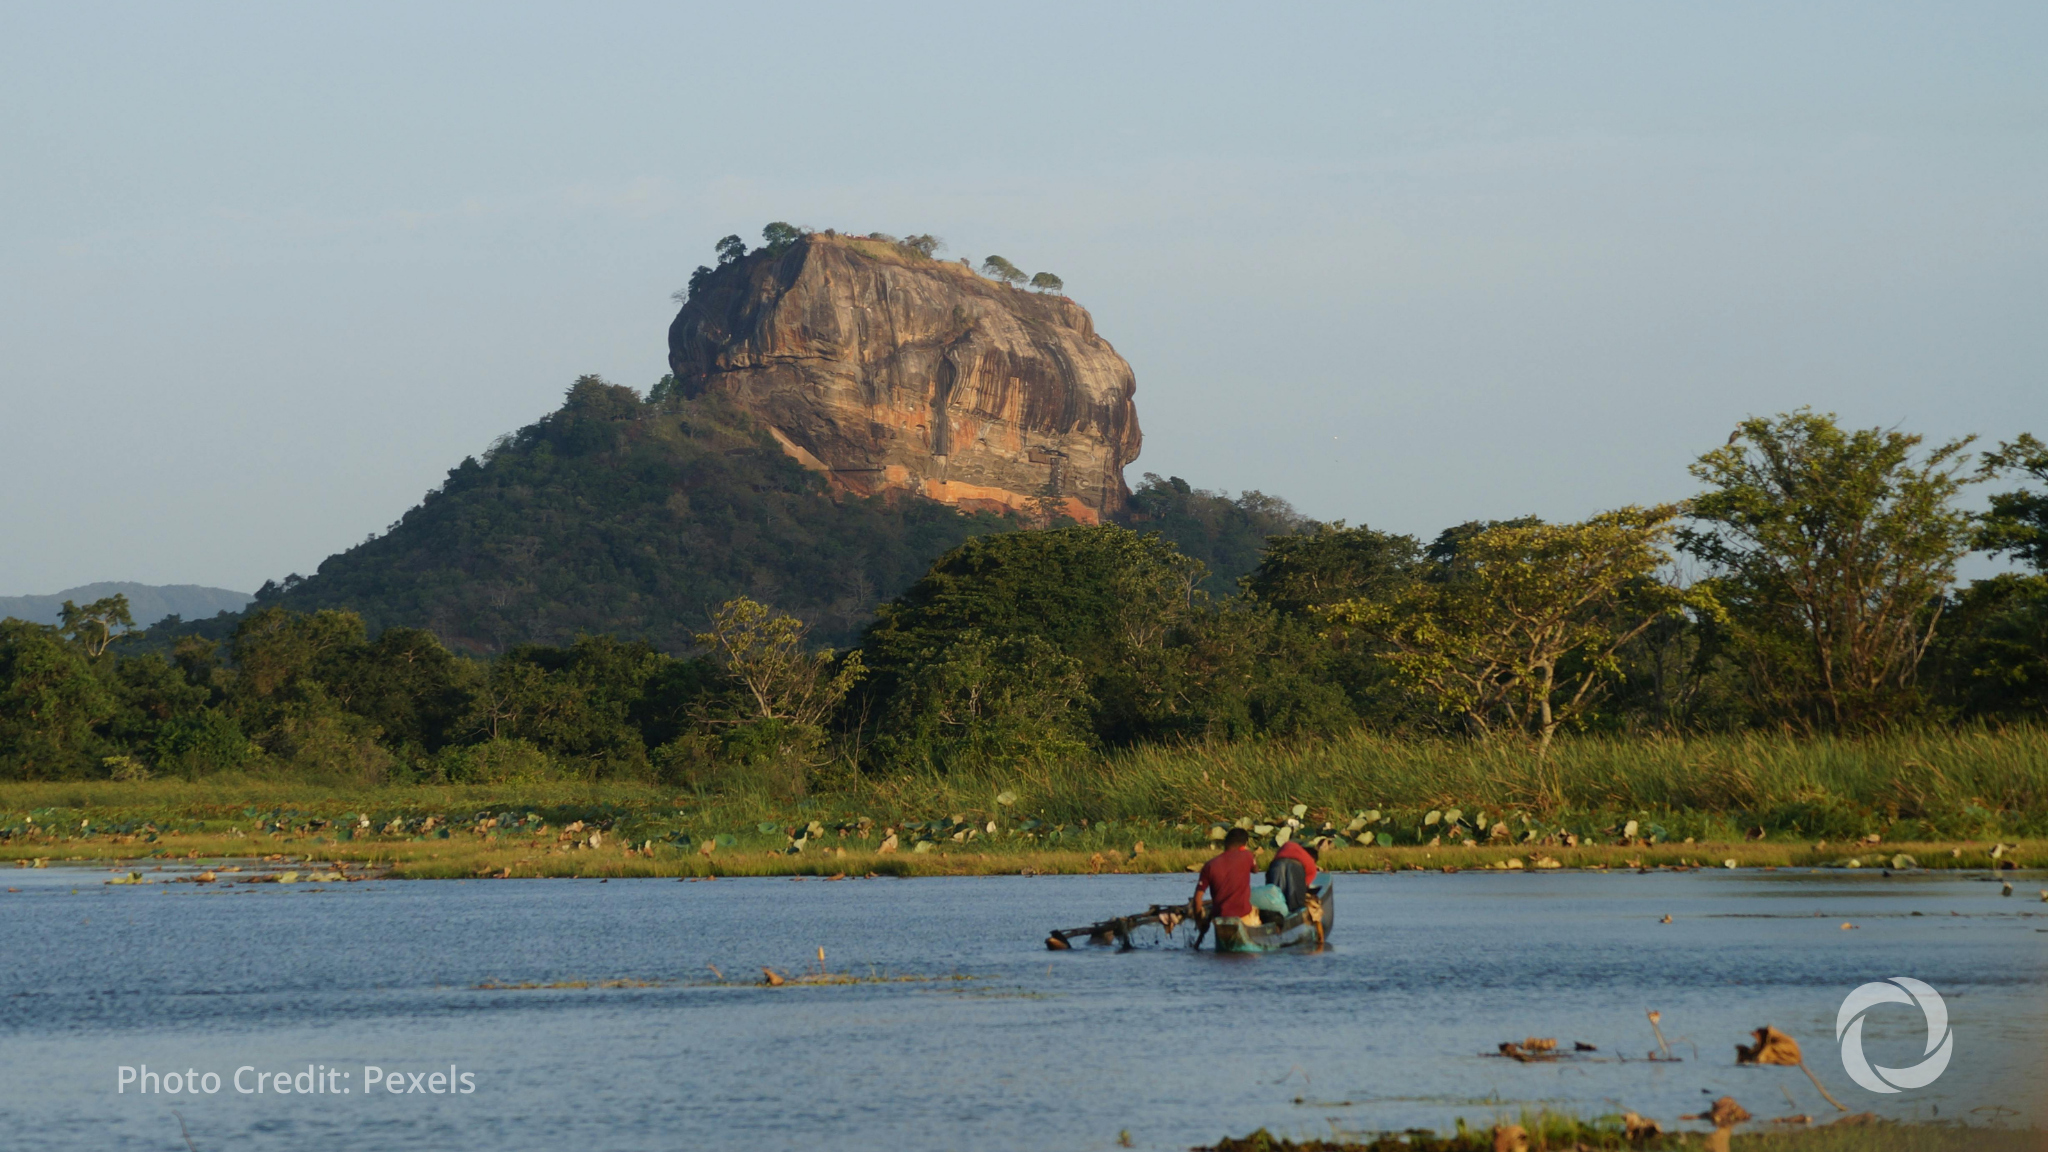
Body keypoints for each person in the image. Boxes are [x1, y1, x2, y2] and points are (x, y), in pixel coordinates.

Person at [1193, 827, 1261, 924]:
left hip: (1219, 919)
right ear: (1244, 845)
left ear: (1225, 843)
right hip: (1243, 916)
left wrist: (1199, 921)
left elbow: (1197, 898)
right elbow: (1255, 870)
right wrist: (1250, 853)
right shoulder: (1247, 855)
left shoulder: (1209, 865)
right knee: (1257, 912)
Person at [1267, 836, 1319, 912]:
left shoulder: (1290, 846)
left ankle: (1275, 913)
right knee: (1295, 901)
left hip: (1277, 864)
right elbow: (1305, 884)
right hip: (1295, 866)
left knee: (1275, 895)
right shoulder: (1310, 863)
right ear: (1313, 859)